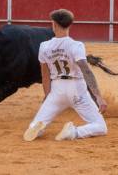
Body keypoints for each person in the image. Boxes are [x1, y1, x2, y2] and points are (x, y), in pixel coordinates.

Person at [23, 9, 108, 142]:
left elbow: (45, 75)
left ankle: (37, 126)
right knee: (100, 127)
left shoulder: (44, 46)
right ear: (69, 25)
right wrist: (98, 97)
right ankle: (75, 132)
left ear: (54, 25)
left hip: (57, 90)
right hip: (77, 90)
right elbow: (87, 71)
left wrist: (47, 96)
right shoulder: (76, 46)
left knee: (38, 122)